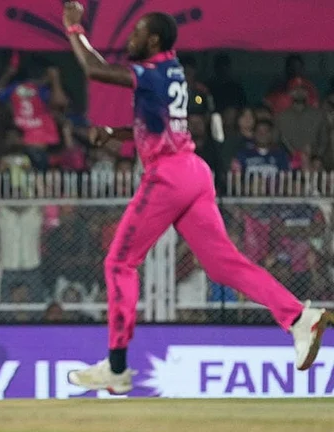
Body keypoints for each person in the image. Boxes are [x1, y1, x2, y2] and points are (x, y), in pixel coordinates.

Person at [61, 2, 332, 394]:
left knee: (120, 262)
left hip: (168, 176)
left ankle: (116, 368)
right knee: (225, 266)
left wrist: (74, 29)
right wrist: (116, 134)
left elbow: (95, 69)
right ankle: (299, 317)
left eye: (137, 33)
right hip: (193, 172)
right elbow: (154, 125)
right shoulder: (171, 70)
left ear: (153, 40)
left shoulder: (152, 71)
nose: (131, 38)